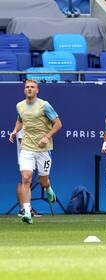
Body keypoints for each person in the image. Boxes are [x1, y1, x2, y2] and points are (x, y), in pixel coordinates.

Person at [9, 79, 62, 224]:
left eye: (32, 87)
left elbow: (58, 124)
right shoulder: (19, 105)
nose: (29, 89)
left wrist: (47, 136)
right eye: (27, 87)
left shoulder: (44, 105)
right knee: (26, 178)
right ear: (24, 90)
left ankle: (49, 189)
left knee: (43, 181)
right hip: (27, 147)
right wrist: (14, 131)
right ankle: (26, 211)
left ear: (37, 90)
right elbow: (20, 120)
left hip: (43, 149)